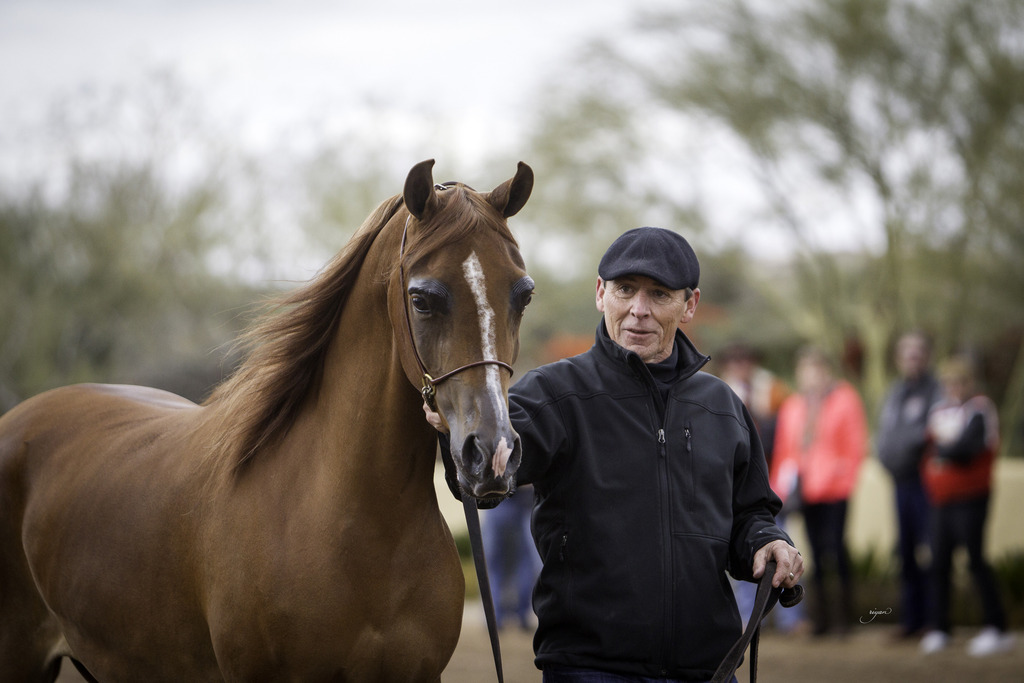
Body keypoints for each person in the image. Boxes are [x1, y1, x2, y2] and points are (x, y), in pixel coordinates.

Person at [427, 226, 803, 682]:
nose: (638, 310)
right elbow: (488, 471)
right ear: (601, 294)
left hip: (708, 669)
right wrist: (464, 431)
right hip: (589, 668)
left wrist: (767, 541)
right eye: (625, 289)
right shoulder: (554, 393)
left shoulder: (722, 406)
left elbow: (750, 513)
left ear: (690, 305)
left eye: (659, 294)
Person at [919, 356, 1014, 657]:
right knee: (939, 562)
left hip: (971, 498)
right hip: (941, 499)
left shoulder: (980, 408)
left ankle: (996, 626)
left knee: (975, 560)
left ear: (970, 382)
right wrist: (945, 449)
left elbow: (967, 448)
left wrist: (945, 450)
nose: (954, 388)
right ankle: (940, 627)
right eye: (949, 383)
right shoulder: (939, 411)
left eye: (959, 382)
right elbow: (926, 448)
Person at [770, 346, 866, 636]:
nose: (809, 376)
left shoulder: (844, 399)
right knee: (814, 552)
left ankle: (844, 619)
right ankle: (821, 620)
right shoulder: (793, 406)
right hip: (806, 491)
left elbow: (855, 445)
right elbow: (784, 451)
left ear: (825, 371)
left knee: (836, 549)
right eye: (804, 370)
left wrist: (844, 478)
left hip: (835, 491)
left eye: (814, 370)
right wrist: (779, 489)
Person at [875, 331, 943, 640]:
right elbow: (884, 436)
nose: (912, 358)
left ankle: (934, 619)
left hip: (925, 482)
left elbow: (927, 434)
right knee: (905, 551)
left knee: (930, 550)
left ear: (926, 356)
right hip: (899, 482)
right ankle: (911, 619)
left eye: (917, 352)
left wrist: (902, 450)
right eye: (906, 352)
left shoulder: (936, 390)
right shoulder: (894, 392)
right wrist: (888, 456)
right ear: (899, 358)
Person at [483, 483, 541, 631]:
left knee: (497, 565)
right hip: (520, 503)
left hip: (498, 501)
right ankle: (519, 615)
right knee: (523, 562)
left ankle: (496, 617)